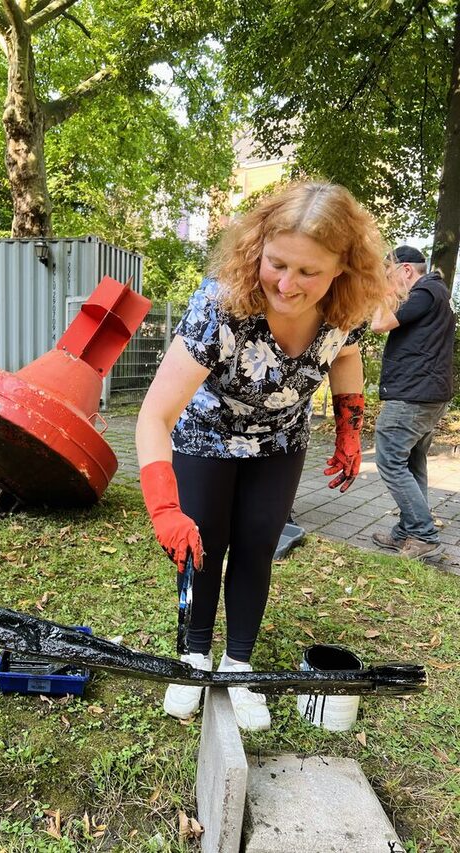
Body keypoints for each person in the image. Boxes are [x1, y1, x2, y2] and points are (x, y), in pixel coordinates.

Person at [136, 181, 389, 730]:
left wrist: (350, 431)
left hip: (280, 441)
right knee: (202, 544)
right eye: (277, 264)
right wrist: (162, 507)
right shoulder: (220, 305)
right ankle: (194, 657)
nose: (287, 284)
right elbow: (153, 416)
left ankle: (238, 665)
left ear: (342, 268)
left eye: (309, 272)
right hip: (207, 434)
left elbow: (345, 359)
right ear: (258, 249)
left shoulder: (346, 309)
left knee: (257, 545)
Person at [370, 245, 455, 560]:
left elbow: (378, 323)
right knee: (412, 463)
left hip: (412, 396)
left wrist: (381, 291)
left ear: (406, 270)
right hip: (429, 395)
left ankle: (423, 535)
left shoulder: (423, 292)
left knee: (391, 460)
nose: (389, 283)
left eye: (390, 275)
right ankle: (407, 531)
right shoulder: (437, 294)